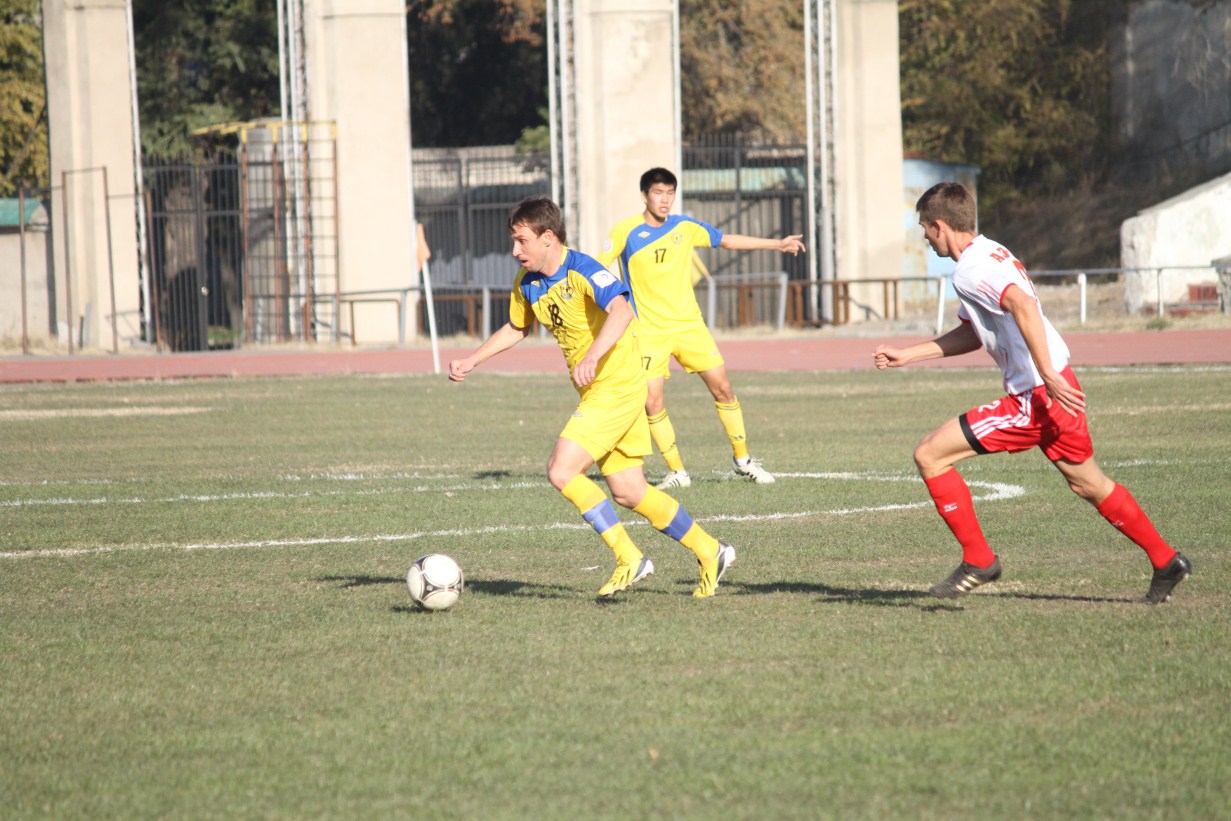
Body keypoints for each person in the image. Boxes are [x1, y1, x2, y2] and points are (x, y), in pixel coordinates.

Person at [873, 181, 1191, 602]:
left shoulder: (970, 270)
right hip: (1059, 386)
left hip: (1036, 396)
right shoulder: (991, 252)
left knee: (930, 454)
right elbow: (974, 332)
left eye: (925, 230)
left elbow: (1021, 305)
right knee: (1089, 483)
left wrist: (1044, 373)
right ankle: (1166, 561)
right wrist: (909, 355)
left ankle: (979, 560)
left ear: (940, 226)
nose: (926, 239)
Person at [448, 196, 736, 599]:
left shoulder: (583, 269)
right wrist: (472, 360)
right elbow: (517, 327)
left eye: (521, 240)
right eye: (513, 241)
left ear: (548, 237)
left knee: (561, 470)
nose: (514, 250)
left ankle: (629, 558)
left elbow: (622, 310)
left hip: (617, 384)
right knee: (629, 491)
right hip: (599, 389)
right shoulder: (527, 282)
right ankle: (711, 550)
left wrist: (593, 355)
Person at [597, 167, 806, 489]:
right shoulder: (626, 231)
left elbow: (727, 240)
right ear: (644, 196)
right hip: (648, 331)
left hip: (689, 326)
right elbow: (598, 266)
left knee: (723, 388)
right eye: (658, 193)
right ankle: (677, 472)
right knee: (652, 401)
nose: (665, 200)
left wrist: (777, 244)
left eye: (670, 193)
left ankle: (743, 460)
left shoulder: (685, 227)